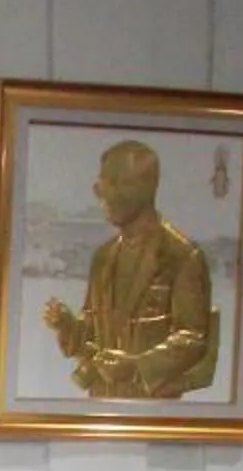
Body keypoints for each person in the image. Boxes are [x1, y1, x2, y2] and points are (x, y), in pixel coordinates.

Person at [41, 139, 218, 399]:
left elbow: (192, 338)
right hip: (100, 406)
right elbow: (93, 334)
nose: (101, 192)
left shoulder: (181, 256)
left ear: (145, 188)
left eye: (113, 182)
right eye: (102, 183)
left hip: (155, 412)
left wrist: (136, 367)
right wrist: (67, 326)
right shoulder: (103, 257)